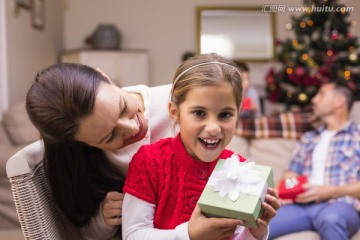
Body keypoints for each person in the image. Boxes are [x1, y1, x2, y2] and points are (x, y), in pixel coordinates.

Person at [122, 53, 281, 240]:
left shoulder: (241, 169)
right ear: (174, 111)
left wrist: (256, 232)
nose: (213, 128)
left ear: (238, 114)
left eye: (225, 115)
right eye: (199, 113)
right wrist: (188, 234)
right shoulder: (150, 161)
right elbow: (133, 235)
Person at [26, 63, 176, 239]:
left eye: (123, 107)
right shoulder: (83, 163)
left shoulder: (184, 102)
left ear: (104, 76)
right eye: (110, 136)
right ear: (81, 143)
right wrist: (104, 218)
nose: (133, 128)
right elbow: (85, 231)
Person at [269, 79, 360, 240]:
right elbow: (291, 173)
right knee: (260, 224)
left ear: (339, 101)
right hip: (300, 206)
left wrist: (331, 191)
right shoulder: (309, 138)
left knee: (331, 219)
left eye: (321, 94)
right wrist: (283, 191)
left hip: (339, 204)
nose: (314, 99)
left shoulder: (357, 137)